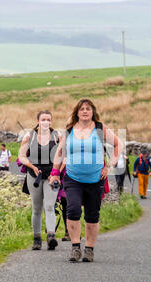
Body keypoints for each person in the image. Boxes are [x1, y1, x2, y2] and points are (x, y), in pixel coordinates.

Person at [50, 98, 122, 263]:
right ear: (77, 112)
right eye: (81, 109)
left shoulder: (99, 128)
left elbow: (119, 145)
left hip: (95, 178)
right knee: (73, 210)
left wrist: (109, 165)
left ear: (92, 112)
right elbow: (60, 153)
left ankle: (89, 249)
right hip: (73, 177)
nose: (84, 111)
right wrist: (54, 173)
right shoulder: (69, 131)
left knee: (92, 215)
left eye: (88, 109)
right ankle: (76, 247)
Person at [18, 110, 60, 251]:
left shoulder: (57, 137)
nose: (46, 122)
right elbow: (22, 156)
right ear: (38, 121)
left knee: (49, 206)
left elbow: (64, 156)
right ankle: (36, 239)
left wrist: (56, 172)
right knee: (36, 208)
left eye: (48, 119)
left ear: (51, 121)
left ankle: (51, 236)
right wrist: (32, 166)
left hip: (51, 176)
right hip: (33, 175)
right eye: (43, 119)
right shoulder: (29, 137)